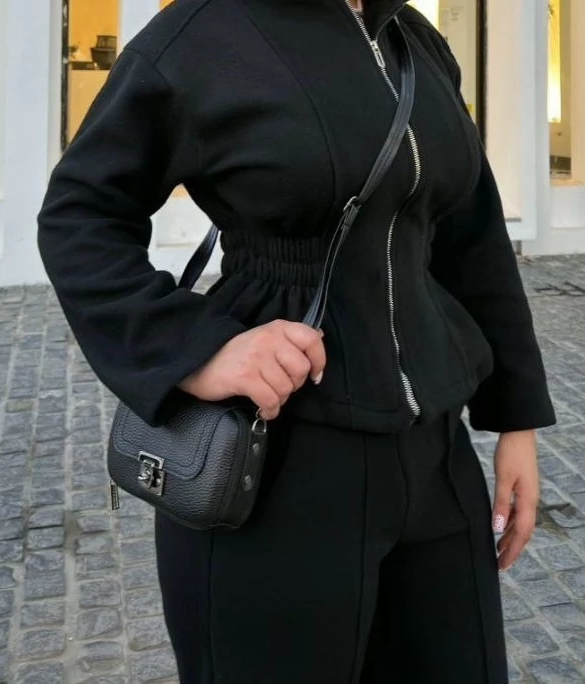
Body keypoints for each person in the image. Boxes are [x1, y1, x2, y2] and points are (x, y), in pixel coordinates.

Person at [37, 0, 556, 681]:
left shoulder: (414, 40)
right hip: (278, 457)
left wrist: (517, 420)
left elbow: (470, 234)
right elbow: (80, 213)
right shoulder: (203, 33)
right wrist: (196, 350)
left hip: (434, 455)